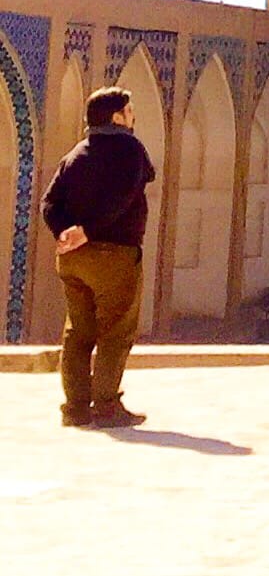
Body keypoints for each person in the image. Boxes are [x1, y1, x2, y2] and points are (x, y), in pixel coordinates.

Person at [40, 86, 156, 429]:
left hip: (73, 259)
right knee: (116, 330)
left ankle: (75, 408)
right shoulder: (130, 149)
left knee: (78, 332)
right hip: (113, 255)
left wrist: (65, 232)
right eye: (129, 110)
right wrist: (87, 230)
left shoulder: (76, 154)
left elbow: (49, 202)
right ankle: (106, 406)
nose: (133, 116)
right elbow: (122, 198)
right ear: (117, 116)